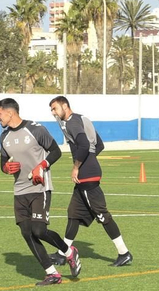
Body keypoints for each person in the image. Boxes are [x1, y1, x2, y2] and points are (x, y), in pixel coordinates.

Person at [0, 97, 73, 283]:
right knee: (26, 233)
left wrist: (41, 166)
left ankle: (68, 251)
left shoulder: (35, 129)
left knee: (38, 230)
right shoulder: (4, 137)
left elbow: (56, 151)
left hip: (40, 188)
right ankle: (52, 273)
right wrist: (6, 168)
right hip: (20, 191)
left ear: (10, 112)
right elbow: (3, 164)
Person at [49, 96, 131, 266]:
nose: (53, 113)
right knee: (73, 214)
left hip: (86, 176)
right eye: (51, 110)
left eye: (55, 108)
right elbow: (99, 145)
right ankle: (63, 253)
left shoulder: (72, 122)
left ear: (65, 106)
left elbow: (85, 145)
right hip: (87, 174)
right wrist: (91, 161)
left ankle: (124, 253)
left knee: (102, 215)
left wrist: (78, 166)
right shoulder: (81, 118)